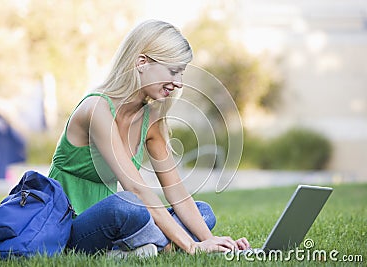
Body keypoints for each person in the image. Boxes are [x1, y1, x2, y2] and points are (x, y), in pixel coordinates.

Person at [48, 19, 250, 258]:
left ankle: (136, 249)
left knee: (202, 212)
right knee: (125, 205)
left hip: (121, 225)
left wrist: (211, 240)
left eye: (182, 73)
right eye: (174, 71)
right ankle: (153, 246)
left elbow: (176, 191)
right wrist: (192, 245)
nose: (179, 83)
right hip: (72, 227)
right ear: (142, 62)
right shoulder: (96, 108)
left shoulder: (151, 119)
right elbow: (135, 188)